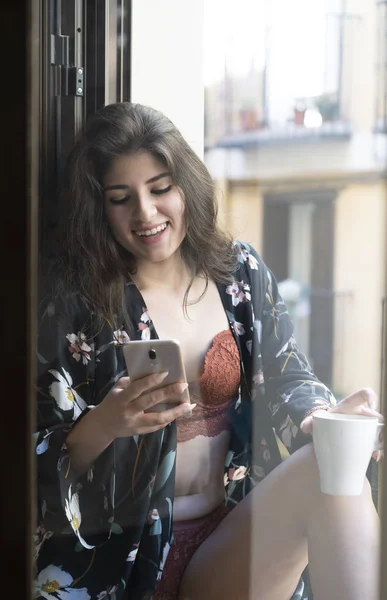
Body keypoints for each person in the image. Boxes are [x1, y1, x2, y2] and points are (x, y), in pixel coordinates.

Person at [34, 102, 382, 600]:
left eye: (160, 189)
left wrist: (322, 416)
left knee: (333, 470)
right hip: (119, 559)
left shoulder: (237, 272)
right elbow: (36, 462)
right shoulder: (76, 304)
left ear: (186, 187)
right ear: (98, 207)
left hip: (225, 542)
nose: (146, 214)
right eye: (121, 198)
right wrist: (109, 420)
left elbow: (289, 378)